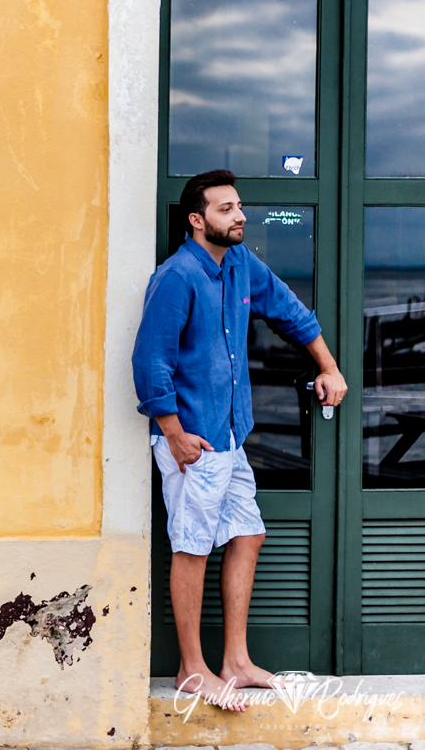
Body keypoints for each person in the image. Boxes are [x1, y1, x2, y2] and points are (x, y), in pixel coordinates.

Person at [132, 170, 347, 711]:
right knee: (193, 546)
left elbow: (291, 314)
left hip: (230, 436)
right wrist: (174, 435)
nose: (240, 216)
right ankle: (190, 669)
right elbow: (150, 362)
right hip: (194, 442)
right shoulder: (177, 276)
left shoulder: (241, 267)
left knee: (247, 535)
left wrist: (329, 367)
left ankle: (235, 661)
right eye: (226, 209)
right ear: (197, 220)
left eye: (240, 207)